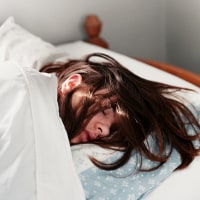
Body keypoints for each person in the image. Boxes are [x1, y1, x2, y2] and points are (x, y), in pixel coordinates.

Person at [40, 52, 200, 172]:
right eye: (103, 110)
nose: (104, 131)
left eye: (113, 129)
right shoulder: (30, 96)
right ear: (71, 84)